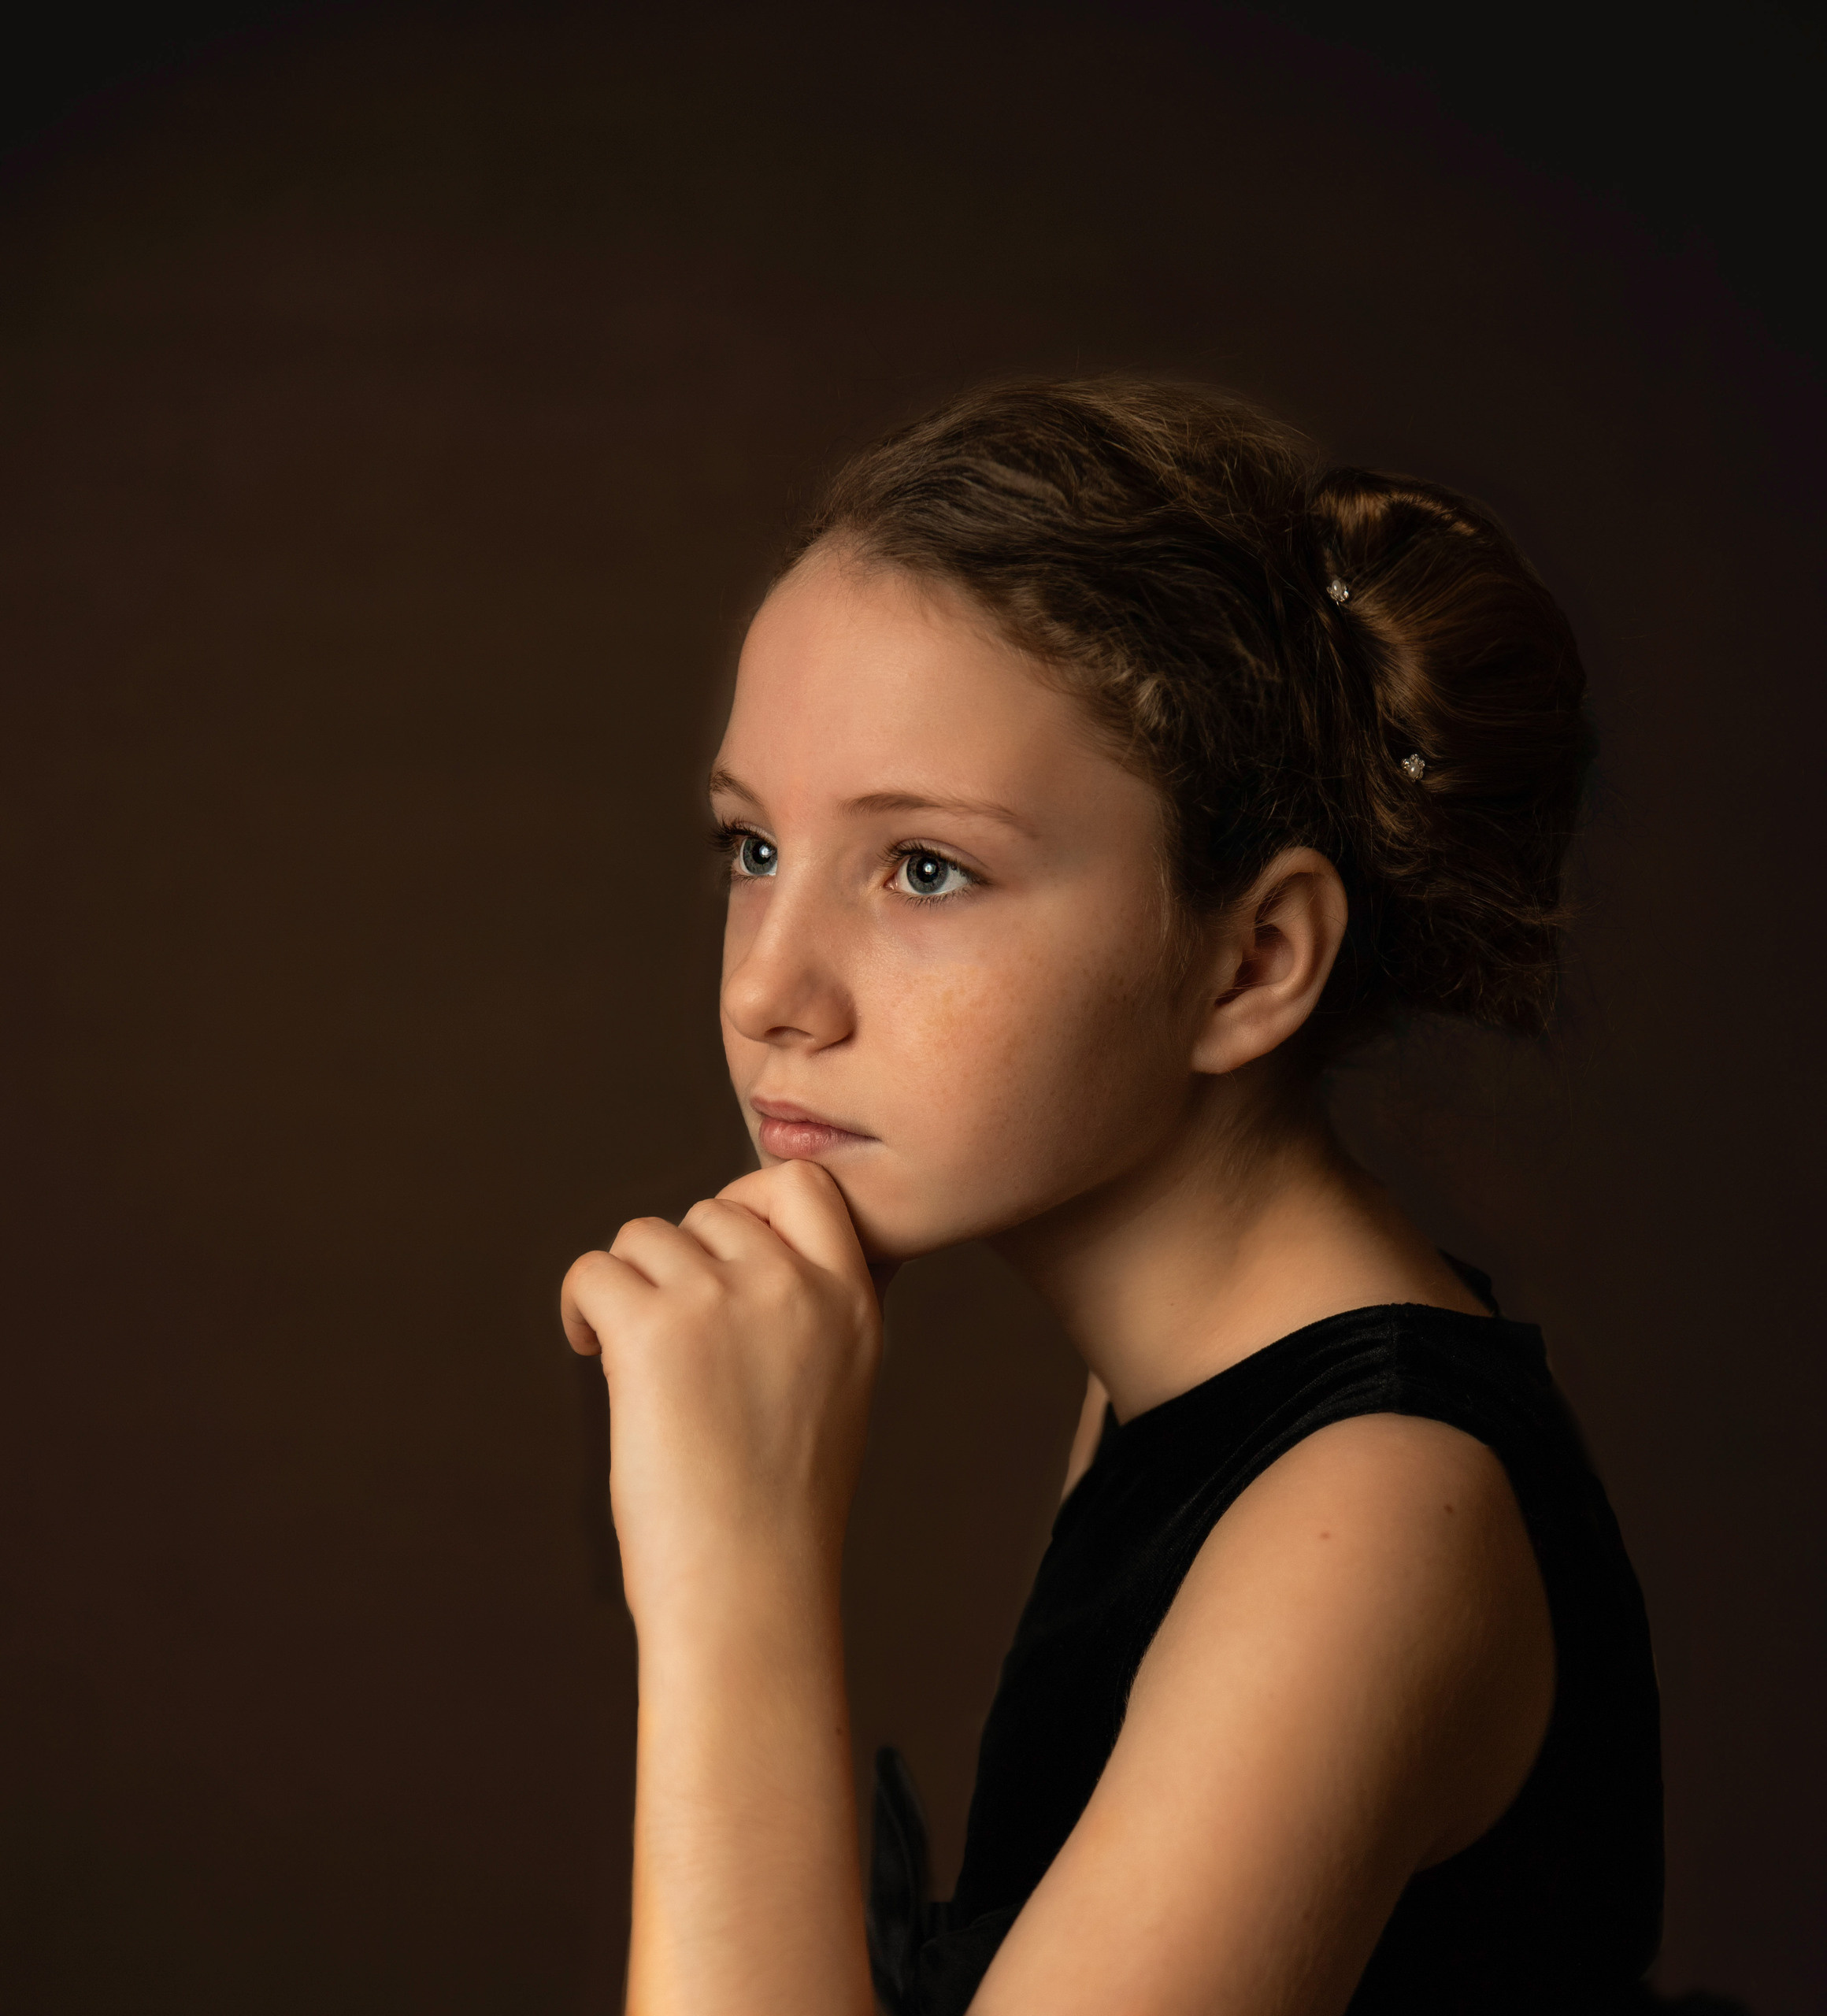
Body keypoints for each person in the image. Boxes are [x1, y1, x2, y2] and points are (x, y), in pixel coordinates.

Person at [560, 379, 1664, 2015]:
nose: (769, 989)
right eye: (751, 848)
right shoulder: (1186, 1383)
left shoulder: (1363, 1525)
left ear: (1251, 958)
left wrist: (730, 1575)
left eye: (923, 867)